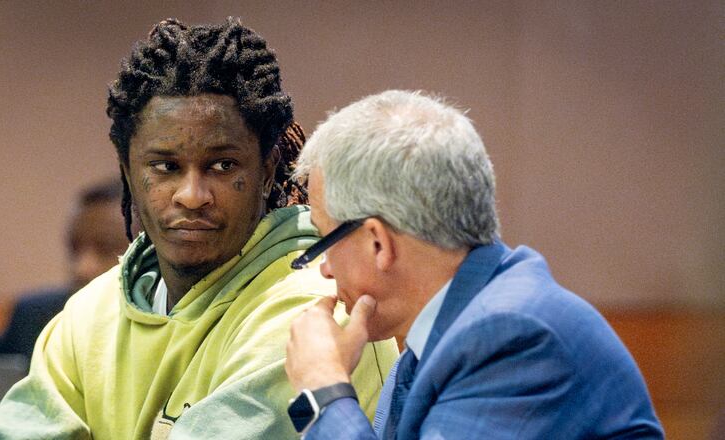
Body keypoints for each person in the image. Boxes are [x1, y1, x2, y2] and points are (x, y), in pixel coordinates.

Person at [0, 18, 396, 440]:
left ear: (268, 173)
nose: (192, 195)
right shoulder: (88, 315)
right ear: (129, 174)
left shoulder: (315, 310)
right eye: (166, 167)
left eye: (222, 165)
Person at [284, 90, 664, 439]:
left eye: (324, 242)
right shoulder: (429, 351)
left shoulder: (514, 337)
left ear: (378, 242)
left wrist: (323, 388)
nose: (325, 270)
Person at [0, 178, 128, 360]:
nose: (81, 268)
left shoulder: (169, 329)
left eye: (105, 248)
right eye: (74, 248)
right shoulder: (33, 316)